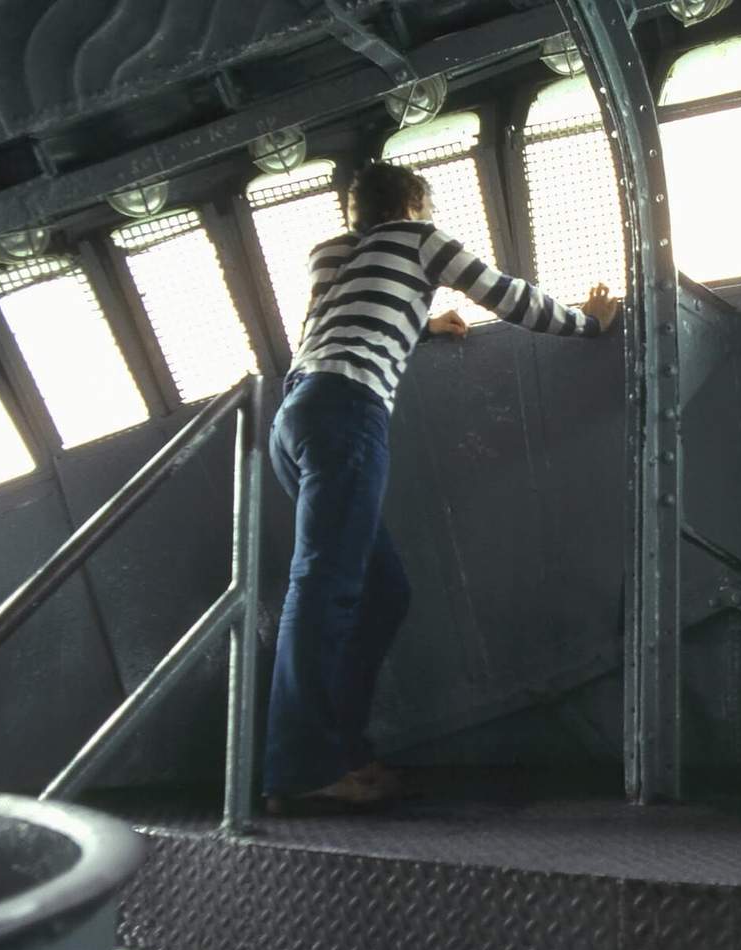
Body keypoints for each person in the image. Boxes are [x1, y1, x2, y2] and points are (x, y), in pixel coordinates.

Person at [264, 161, 619, 815]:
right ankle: (301, 768)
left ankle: (341, 753)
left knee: (380, 592)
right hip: (348, 413)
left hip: (297, 416)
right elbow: (507, 296)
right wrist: (587, 323)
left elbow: (329, 328)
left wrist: (422, 328)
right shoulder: (418, 238)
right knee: (323, 588)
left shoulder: (331, 254)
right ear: (415, 204)